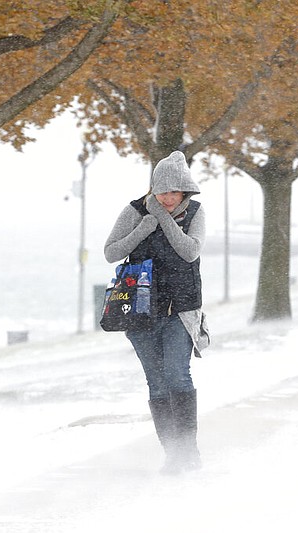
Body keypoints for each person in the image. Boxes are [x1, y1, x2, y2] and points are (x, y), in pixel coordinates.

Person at [104, 150, 209, 474]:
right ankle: (173, 454)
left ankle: (188, 450)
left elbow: (189, 252)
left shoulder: (195, 213)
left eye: (173, 192)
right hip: (139, 310)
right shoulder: (134, 211)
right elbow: (111, 252)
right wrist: (142, 228)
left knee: (178, 374)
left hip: (180, 310)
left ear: (184, 191)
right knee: (157, 383)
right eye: (161, 191)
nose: (167, 198)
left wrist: (162, 220)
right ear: (153, 189)